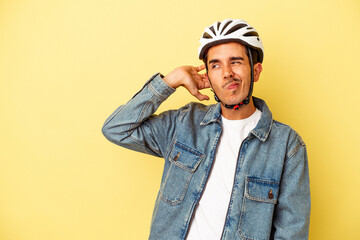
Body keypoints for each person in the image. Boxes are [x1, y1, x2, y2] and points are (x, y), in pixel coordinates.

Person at [102, 19, 310, 240]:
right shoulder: (184, 123)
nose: (227, 73)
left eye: (236, 62)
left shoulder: (287, 145)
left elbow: (292, 233)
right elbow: (117, 128)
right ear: (208, 77)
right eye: (216, 65)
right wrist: (169, 81)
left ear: (256, 72)